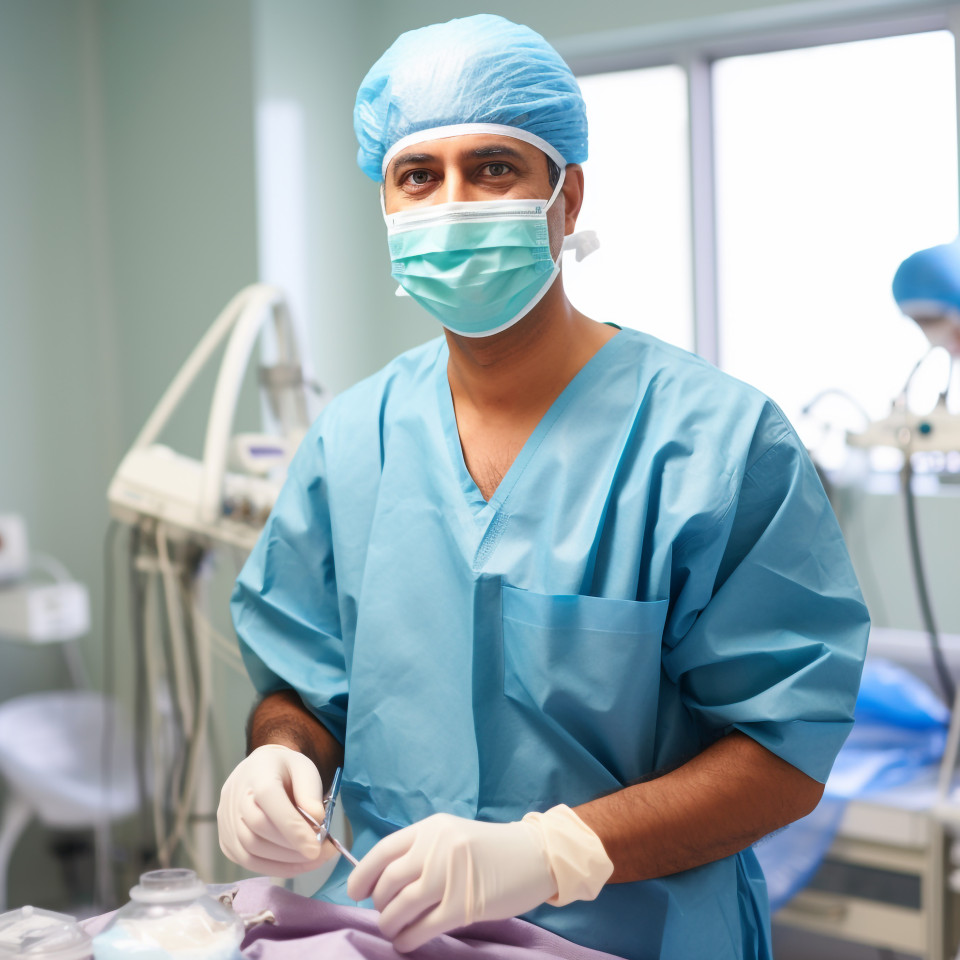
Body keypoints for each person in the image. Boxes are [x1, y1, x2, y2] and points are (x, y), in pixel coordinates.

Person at [217, 15, 870, 960]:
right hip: (393, 933)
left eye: (494, 168)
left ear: (567, 197)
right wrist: (281, 755)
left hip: (637, 938)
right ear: (387, 204)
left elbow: (783, 754)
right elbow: (301, 687)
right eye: (418, 176)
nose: (452, 203)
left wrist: (557, 852)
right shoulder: (351, 442)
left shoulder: (715, 445)